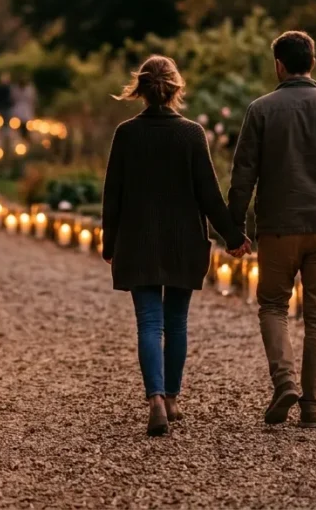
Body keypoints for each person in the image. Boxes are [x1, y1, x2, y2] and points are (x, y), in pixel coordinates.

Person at [101, 55, 248, 437]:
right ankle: (172, 399)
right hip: (183, 242)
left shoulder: (127, 134)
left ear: (141, 90)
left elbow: (112, 194)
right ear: (175, 88)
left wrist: (109, 240)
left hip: (139, 241)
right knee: (176, 322)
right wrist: (233, 236)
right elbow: (209, 196)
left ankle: (154, 400)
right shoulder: (191, 134)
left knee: (149, 323)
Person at [226, 31, 316, 429]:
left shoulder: (261, 110)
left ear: (279, 65)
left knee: (273, 305)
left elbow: (243, 174)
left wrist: (235, 226)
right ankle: (312, 404)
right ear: (312, 63)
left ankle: (284, 381)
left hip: (278, 228)